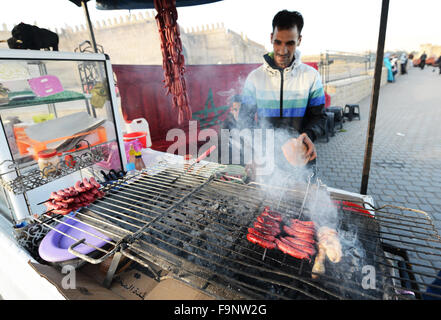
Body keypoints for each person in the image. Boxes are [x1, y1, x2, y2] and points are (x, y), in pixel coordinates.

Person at [235, 10, 326, 175]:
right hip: (265, 159)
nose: (283, 50)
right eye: (278, 42)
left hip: (301, 157)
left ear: (299, 40)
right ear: (271, 38)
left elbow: (320, 117)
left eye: (290, 43)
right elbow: (245, 120)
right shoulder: (254, 78)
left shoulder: (311, 77)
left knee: (304, 198)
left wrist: (310, 134)